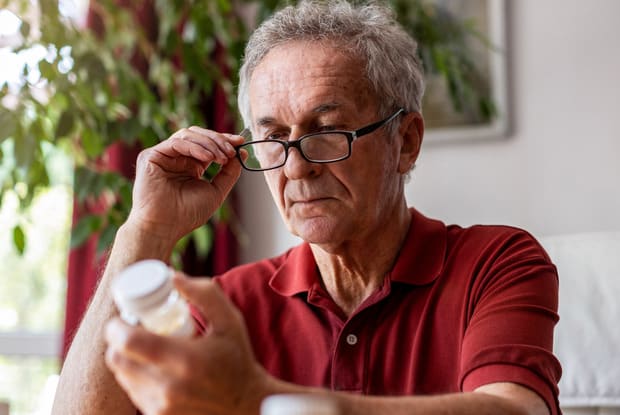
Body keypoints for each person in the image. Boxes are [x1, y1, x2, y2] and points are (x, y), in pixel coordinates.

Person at [52, 1, 562, 414]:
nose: (296, 168)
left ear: (405, 141)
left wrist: (258, 402)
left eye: (326, 131)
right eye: (273, 137)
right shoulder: (230, 304)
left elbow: (512, 410)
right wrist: (147, 229)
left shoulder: (495, 262)